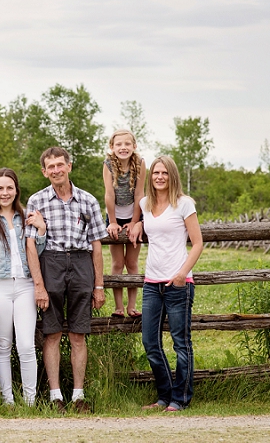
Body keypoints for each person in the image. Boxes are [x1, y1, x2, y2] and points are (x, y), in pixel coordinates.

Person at [25, 147, 107, 414]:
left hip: (82, 263)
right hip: (52, 262)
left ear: (69, 166)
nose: (56, 170)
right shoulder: (37, 200)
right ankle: (55, 396)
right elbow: (30, 245)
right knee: (51, 332)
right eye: (51, 167)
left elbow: (96, 246)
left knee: (78, 334)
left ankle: (78, 396)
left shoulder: (88, 201)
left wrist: (99, 285)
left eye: (60, 165)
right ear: (44, 171)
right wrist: (39, 285)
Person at [128, 155, 203, 412]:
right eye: (156, 173)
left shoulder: (184, 204)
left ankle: (180, 398)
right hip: (151, 283)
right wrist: (137, 224)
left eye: (165, 173)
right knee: (150, 342)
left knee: (181, 343)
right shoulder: (145, 203)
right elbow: (139, 222)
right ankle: (164, 395)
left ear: (172, 176)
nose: (160, 177)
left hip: (178, 283)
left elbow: (198, 243)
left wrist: (183, 273)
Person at [0, 168, 46, 406]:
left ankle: (30, 401)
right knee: (2, 345)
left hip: (25, 285)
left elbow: (37, 253)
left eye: (9, 188)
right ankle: (7, 401)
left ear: (16, 190)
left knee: (26, 344)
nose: (5, 193)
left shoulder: (26, 217)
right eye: (0, 188)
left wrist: (42, 231)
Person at [102, 129, 146, 317]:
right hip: (115, 215)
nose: (123, 147)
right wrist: (112, 222)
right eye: (118, 144)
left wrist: (135, 221)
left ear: (134, 146)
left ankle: (132, 306)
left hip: (134, 214)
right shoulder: (108, 164)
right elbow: (109, 194)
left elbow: (139, 194)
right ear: (112, 147)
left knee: (132, 262)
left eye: (127, 144)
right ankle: (119, 307)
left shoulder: (140, 163)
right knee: (118, 262)